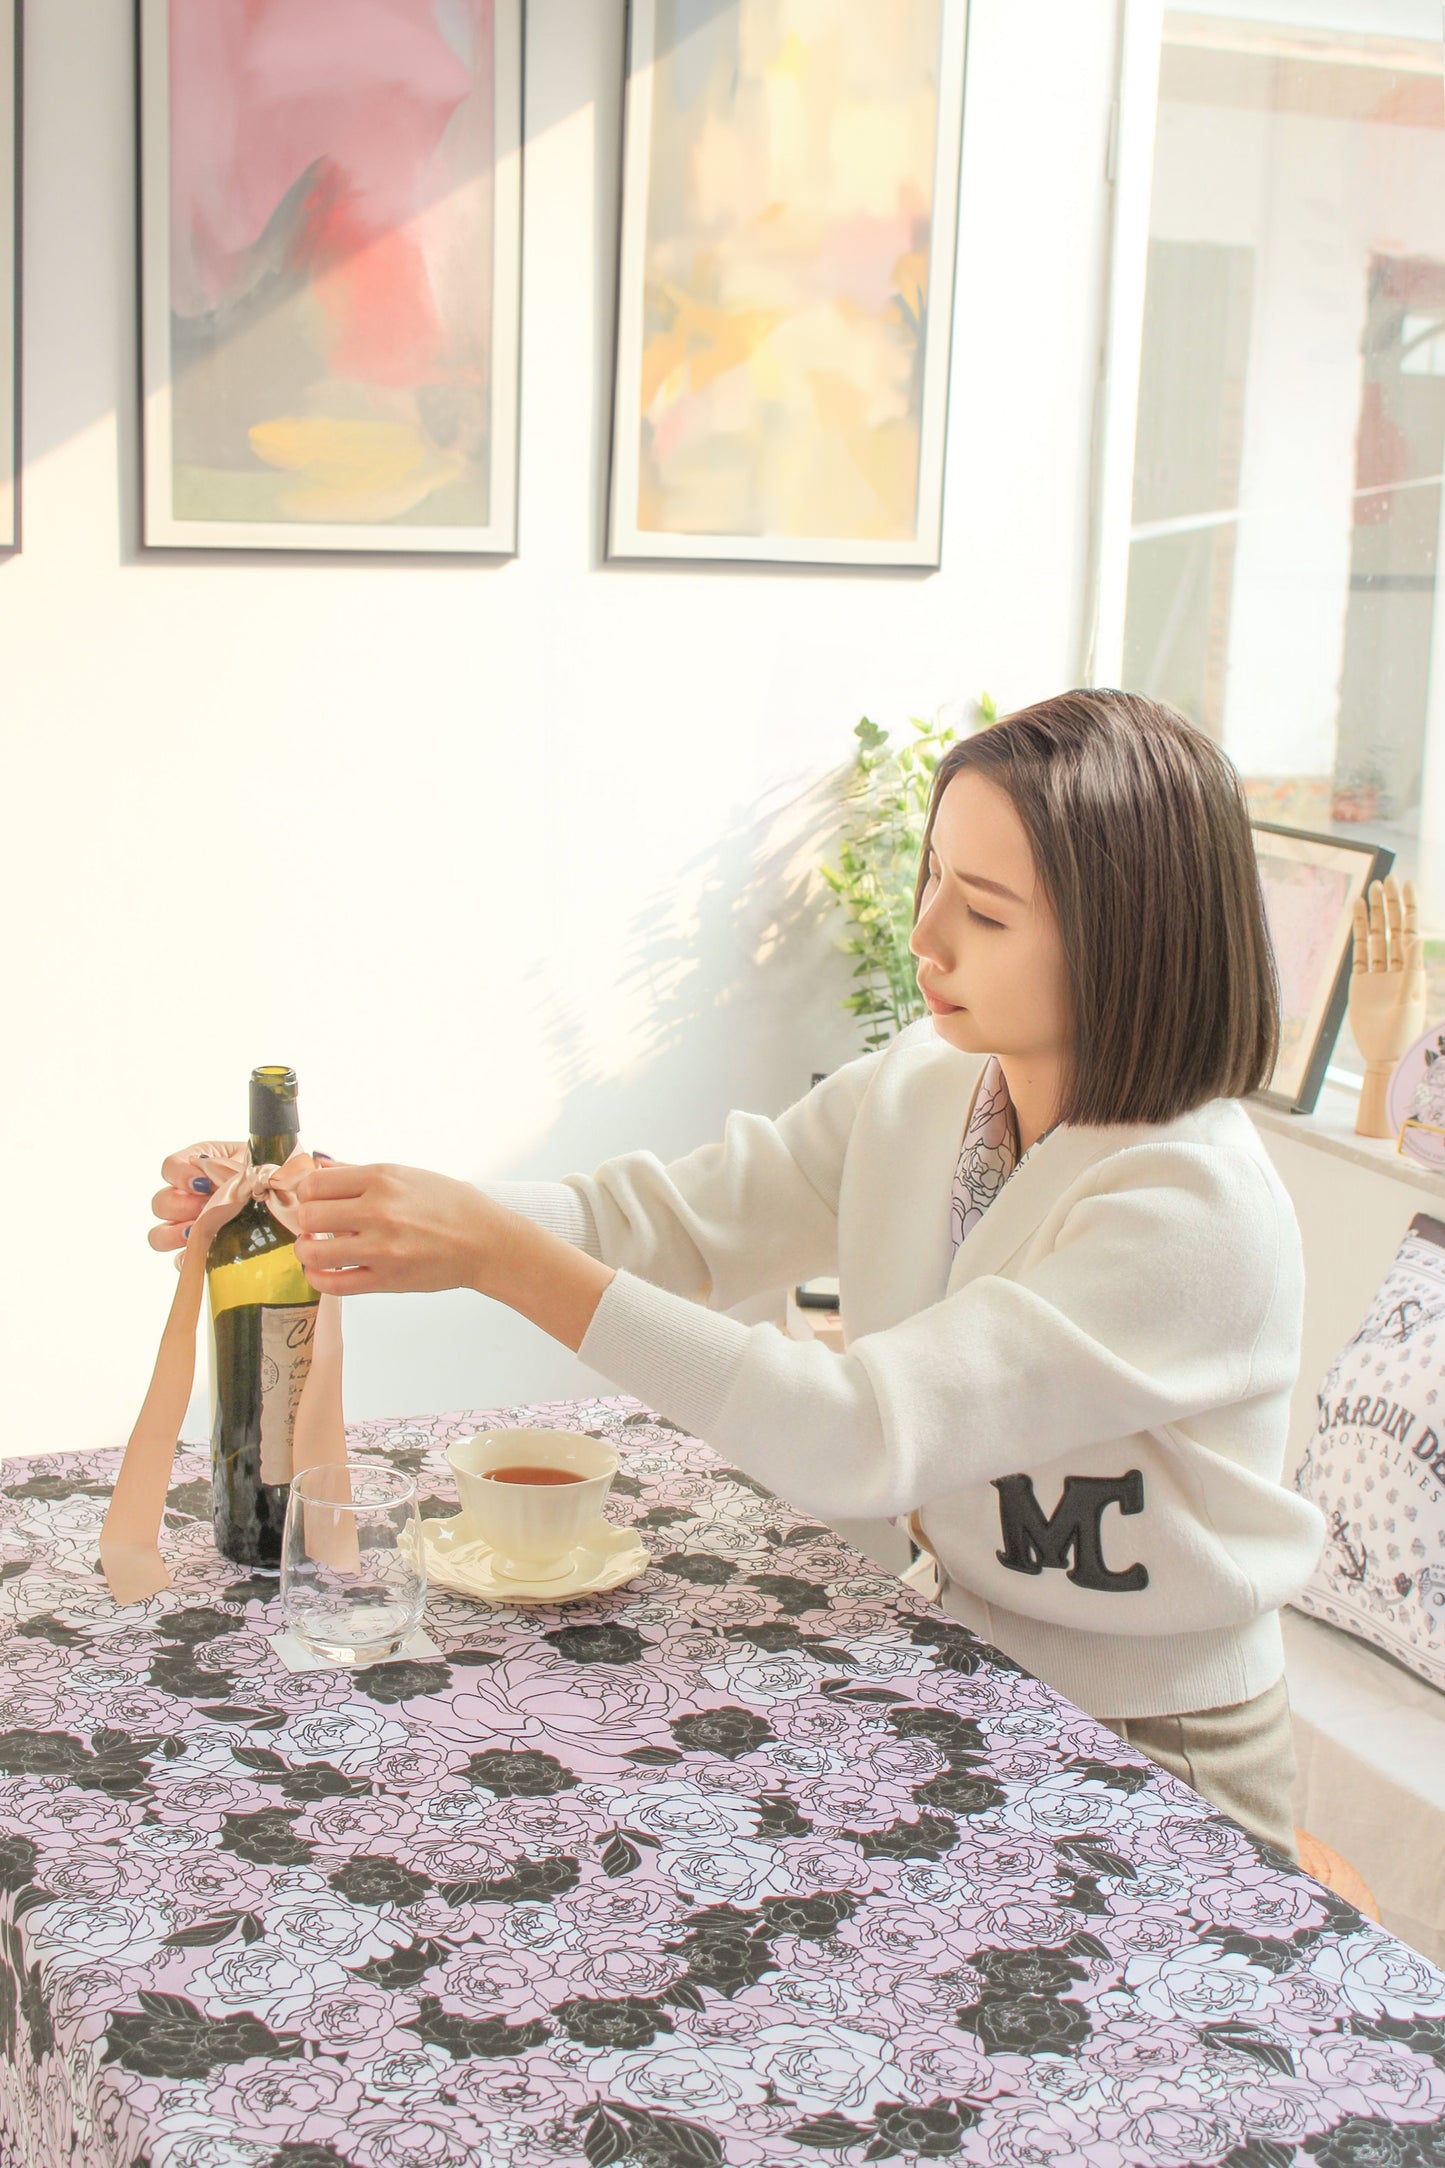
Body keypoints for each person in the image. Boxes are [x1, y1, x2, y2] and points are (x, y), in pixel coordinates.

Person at [150, 689, 1327, 1860]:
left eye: (983, 911)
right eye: (931, 878)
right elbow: (665, 1222)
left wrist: (501, 1262)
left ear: (1127, 941)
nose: (926, 937)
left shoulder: (1187, 1210)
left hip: (1156, 1747)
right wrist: (336, 1192)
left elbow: (861, 1432)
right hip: (960, 1672)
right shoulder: (925, 1086)